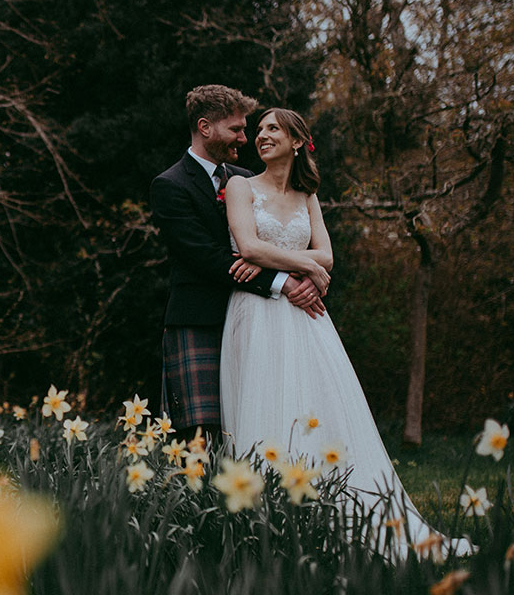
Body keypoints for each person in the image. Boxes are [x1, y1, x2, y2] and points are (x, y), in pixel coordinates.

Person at [219, 107, 471, 554]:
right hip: (257, 314)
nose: (261, 136)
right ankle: (265, 526)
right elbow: (250, 244)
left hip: (305, 317)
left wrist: (305, 268)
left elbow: (329, 256)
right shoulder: (240, 186)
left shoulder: (307, 195)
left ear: (298, 141)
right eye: (259, 130)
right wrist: (304, 269)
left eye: (273, 129)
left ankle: (324, 513)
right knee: (263, 401)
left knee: (316, 405)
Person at [150, 86, 324, 447]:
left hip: (254, 321)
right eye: (237, 130)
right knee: (202, 438)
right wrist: (282, 283)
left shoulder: (246, 180)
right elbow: (206, 257)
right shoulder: (170, 185)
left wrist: (307, 278)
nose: (246, 138)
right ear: (205, 127)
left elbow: (276, 244)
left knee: (256, 425)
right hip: (200, 321)